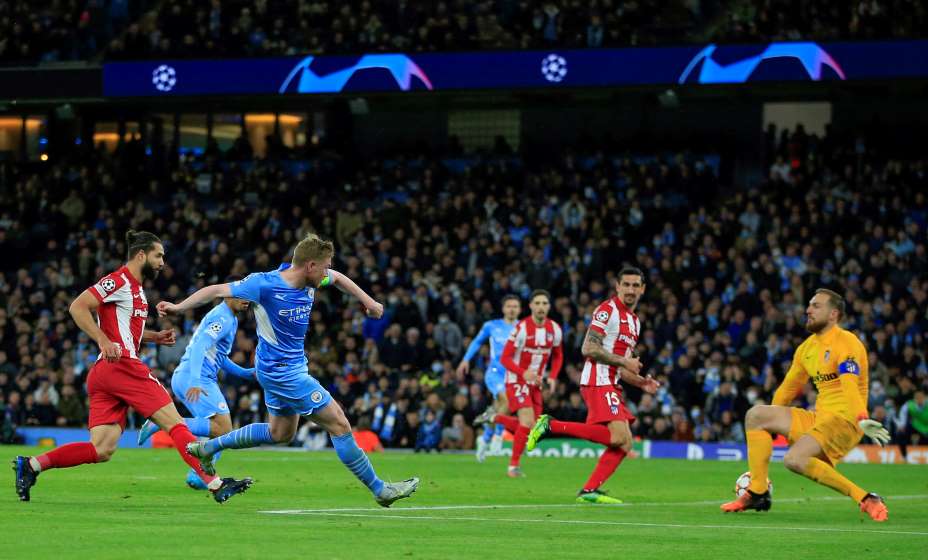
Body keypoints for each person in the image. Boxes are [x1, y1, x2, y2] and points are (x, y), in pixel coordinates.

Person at [157, 233, 418, 507]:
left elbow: (339, 279)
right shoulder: (264, 284)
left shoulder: (311, 278)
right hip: (283, 372)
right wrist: (178, 307)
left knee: (280, 433)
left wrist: (369, 302)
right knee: (339, 424)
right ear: (310, 265)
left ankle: (209, 447)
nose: (327, 272)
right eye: (325, 266)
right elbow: (215, 290)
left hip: (282, 368)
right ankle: (380, 489)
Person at [12, 230, 252, 503]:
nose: (162, 263)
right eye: (158, 256)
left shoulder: (137, 290)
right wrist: (103, 340)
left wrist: (153, 337)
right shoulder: (118, 280)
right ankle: (216, 484)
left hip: (107, 373)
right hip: (122, 366)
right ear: (141, 255)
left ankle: (31, 465)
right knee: (175, 424)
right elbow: (78, 307)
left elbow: (124, 330)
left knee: (101, 448)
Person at [720, 289, 890, 522]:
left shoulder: (847, 343)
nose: (808, 310)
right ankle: (758, 492)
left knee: (793, 459)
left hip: (846, 420)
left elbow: (849, 383)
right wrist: (772, 424)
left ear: (833, 314)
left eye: (816, 306)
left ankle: (866, 498)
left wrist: (861, 416)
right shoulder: (806, 349)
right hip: (820, 419)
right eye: (809, 305)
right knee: (756, 415)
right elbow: (787, 389)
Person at [526, 267, 656, 504]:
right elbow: (588, 348)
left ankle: (589, 491)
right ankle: (551, 425)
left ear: (643, 289)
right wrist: (624, 362)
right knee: (619, 436)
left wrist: (641, 382)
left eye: (635, 285)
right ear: (617, 286)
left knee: (625, 442)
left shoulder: (635, 322)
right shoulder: (607, 311)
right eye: (626, 284)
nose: (630, 290)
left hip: (611, 381)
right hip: (597, 379)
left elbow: (621, 366)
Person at [137, 277, 256, 490]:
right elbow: (201, 345)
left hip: (193, 377)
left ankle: (197, 476)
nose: (247, 299)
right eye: (241, 294)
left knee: (218, 431)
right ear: (227, 294)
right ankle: (161, 422)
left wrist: (245, 373)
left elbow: (219, 357)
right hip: (195, 378)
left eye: (249, 295)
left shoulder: (230, 318)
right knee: (224, 429)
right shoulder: (223, 318)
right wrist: (194, 380)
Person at [475, 289, 562, 478]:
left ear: (549, 306)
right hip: (516, 380)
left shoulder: (554, 329)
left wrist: (553, 376)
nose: (541, 307)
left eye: (544, 303)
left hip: (535, 383)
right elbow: (505, 358)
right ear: (530, 306)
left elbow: (558, 355)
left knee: (532, 427)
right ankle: (513, 467)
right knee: (526, 421)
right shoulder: (521, 328)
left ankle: (494, 417)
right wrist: (523, 373)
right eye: (537, 303)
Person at [457, 294, 521, 461]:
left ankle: (484, 439)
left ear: (519, 309)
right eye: (509, 306)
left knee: (498, 408)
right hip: (494, 373)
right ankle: (498, 436)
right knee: (506, 401)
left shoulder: (524, 328)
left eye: (515, 306)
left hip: (513, 376)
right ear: (503, 308)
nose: (512, 309)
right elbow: (477, 342)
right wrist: (466, 360)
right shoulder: (492, 326)